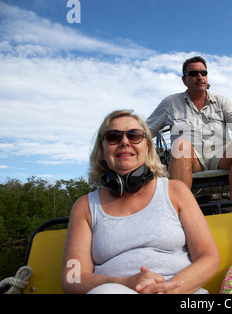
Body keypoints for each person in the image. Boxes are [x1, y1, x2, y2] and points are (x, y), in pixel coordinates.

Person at [61, 110, 220, 294]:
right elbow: (72, 278)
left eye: (134, 135)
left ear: (147, 148)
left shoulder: (176, 191)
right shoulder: (84, 207)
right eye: (113, 137)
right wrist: (124, 283)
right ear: (102, 151)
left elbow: (209, 257)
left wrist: (170, 290)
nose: (124, 142)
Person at [146, 56, 232, 212]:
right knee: (180, 146)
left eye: (203, 73)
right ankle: (182, 214)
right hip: (190, 160)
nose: (199, 77)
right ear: (184, 79)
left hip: (219, 158)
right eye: (193, 73)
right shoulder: (170, 103)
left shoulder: (222, 102)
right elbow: (145, 132)